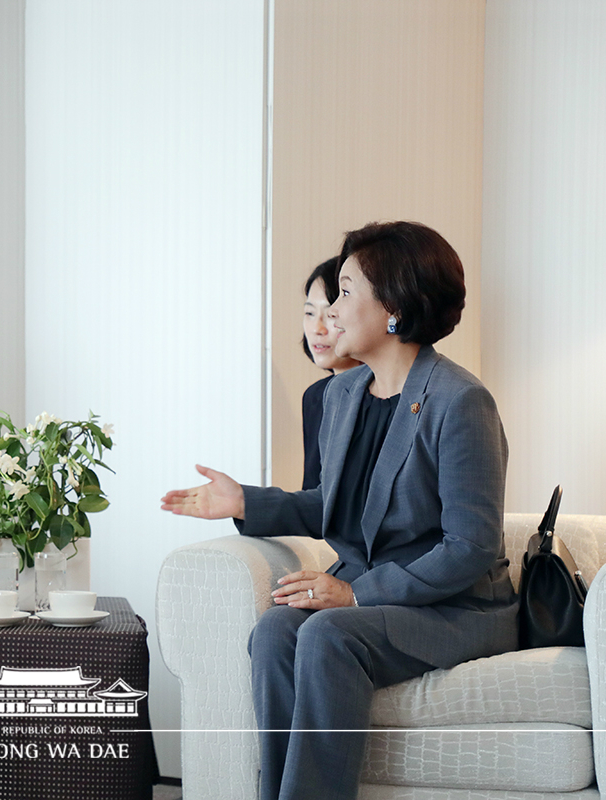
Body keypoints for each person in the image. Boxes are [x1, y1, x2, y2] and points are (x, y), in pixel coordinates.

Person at [161, 221, 516, 800]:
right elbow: (339, 503)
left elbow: (469, 547)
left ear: (394, 307)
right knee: (276, 630)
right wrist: (246, 501)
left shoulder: (461, 400)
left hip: (457, 606)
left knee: (329, 636)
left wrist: (355, 595)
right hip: (379, 593)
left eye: (346, 293)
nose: (330, 312)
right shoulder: (343, 394)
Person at [300, 257, 360, 489]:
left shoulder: (382, 396)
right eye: (310, 313)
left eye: (330, 315)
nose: (317, 329)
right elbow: (312, 494)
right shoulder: (315, 397)